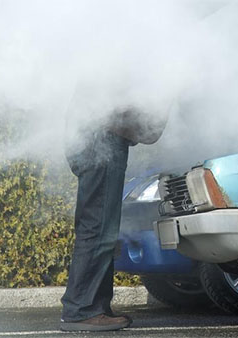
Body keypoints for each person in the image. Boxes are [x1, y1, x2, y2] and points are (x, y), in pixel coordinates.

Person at [60, 106, 166, 331]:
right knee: (98, 228)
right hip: (101, 144)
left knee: (100, 227)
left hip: (96, 142)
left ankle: (96, 306)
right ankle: (81, 309)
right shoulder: (112, 75)